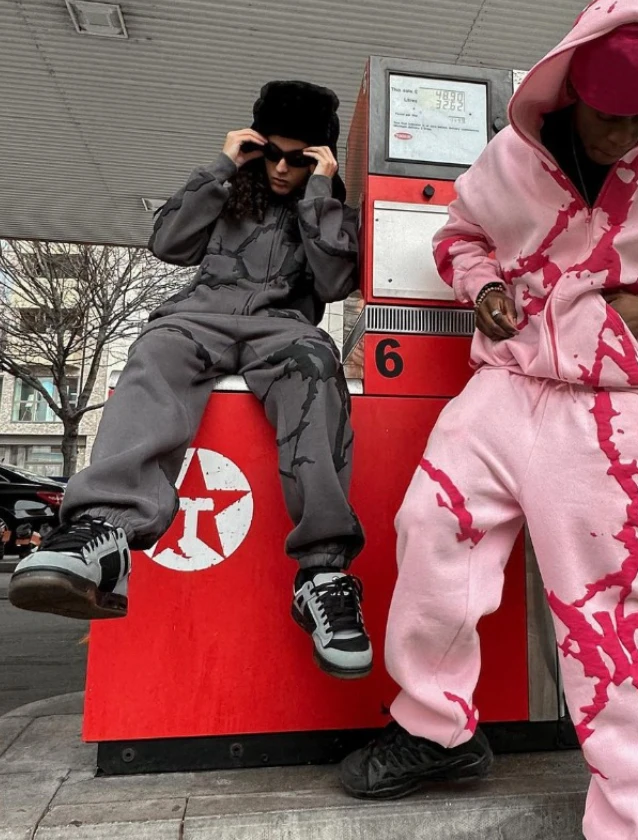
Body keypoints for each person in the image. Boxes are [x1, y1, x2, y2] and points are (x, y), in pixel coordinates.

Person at [339, 0, 638, 840]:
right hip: (506, 382)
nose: (623, 134)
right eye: (608, 115)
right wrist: (482, 287)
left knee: (608, 606)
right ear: (573, 91)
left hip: (611, 406)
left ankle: (635, 821)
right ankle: (436, 730)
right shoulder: (511, 154)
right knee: (429, 529)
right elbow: (460, 238)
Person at [9, 80, 373, 680]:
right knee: (154, 353)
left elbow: (335, 283)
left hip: (283, 328)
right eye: (272, 154)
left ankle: (323, 573)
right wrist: (222, 165)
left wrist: (319, 195)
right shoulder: (229, 193)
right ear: (256, 147)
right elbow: (167, 243)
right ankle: (104, 532)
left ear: (319, 160)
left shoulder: (326, 209)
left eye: (300, 159)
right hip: (198, 317)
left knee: (316, 367)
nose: (283, 168)